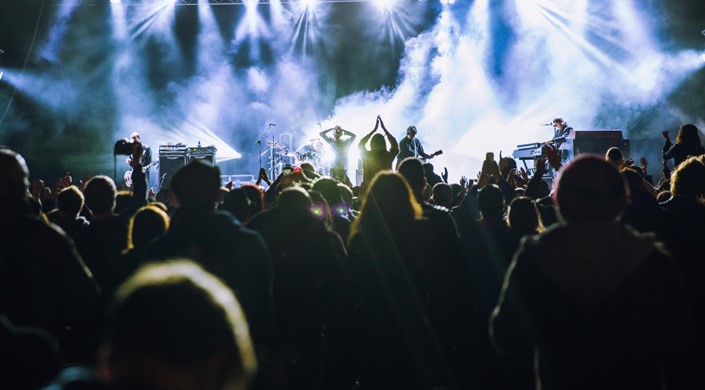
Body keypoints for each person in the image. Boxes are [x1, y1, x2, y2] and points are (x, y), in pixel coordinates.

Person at [491, 154, 704, 390]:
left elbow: (504, 335)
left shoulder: (534, 258)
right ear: (622, 201)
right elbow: (682, 355)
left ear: (560, 200)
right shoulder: (652, 260)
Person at [357, 115, 399, 190]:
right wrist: (384, 129)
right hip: (386, 191)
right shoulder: (388, 156)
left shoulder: (367, 156)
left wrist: (374, 130)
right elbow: (395, 145)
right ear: (384, 143)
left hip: (370, 192)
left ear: (371, 144)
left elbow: (361, 144)